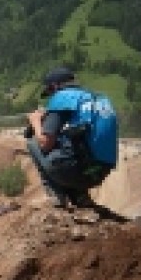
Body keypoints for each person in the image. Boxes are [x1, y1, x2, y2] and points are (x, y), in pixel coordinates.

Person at [24, 66, 116, 209]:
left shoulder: (62, 98)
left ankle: (55, 196)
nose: (51, 97)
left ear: (54, 86)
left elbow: (45, 144)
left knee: (33, 143)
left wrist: (36, 121)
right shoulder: (98, 98)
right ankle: (80, 196)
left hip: (77, 171)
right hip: (100, 171)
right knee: (69, 144)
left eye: (50, 92)